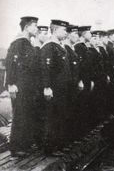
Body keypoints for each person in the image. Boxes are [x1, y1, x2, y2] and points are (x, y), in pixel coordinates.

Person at [5, 16, 39, 157]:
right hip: (20, 86)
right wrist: (11, 84)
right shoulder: (18, 43)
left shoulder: (28, 43)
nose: (36, 29)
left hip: (28, 86)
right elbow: (11, 63)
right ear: (27, 27)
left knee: (27, 115)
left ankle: (24, 145)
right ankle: (16, 147)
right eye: (35, 26)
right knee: (20, 116)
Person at [40, 19, 70, 156]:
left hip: (62, 89)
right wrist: (47, 87)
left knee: (60, 117)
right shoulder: (49, 46)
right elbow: (45, 69)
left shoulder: (59, 46)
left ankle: (58, 145)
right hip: (54, 89)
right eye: (64, 30)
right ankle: (50, 148)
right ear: (56, 30)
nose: (66, 32)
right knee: (52, 118)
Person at [32, 25, 49, 149]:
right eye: (43, 33)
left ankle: (41, 140)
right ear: (37, 34)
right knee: (37, 113)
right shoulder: (35, 49)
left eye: (46, 33)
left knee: (43, 113)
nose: (46, 36)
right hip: (35, 86)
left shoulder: (43, 49)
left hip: (41, 85)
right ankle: (37, 141)